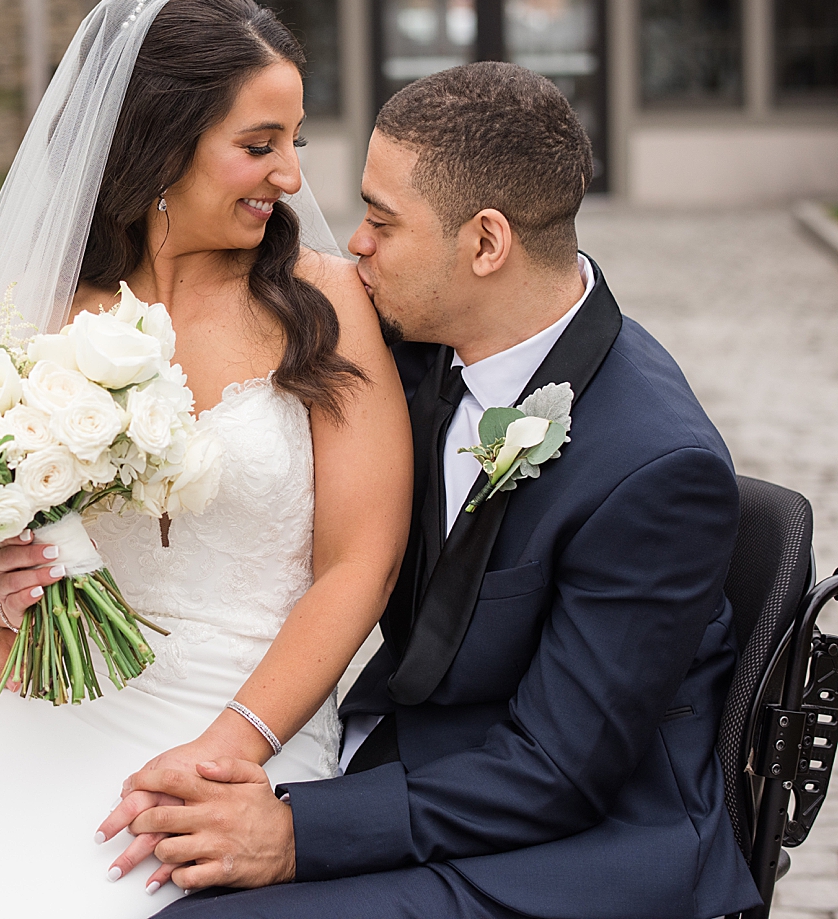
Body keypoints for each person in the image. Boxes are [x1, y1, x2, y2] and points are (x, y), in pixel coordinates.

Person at [0, 0, 413, 918]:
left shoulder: (323, 302)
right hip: (59, 691)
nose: (290, 178)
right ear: (162, 145)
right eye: (258, 145)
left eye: (295, 142)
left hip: (248, 707)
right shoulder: (38, 316)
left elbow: (363, 559)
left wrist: (234, 743)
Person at [99, 62, 763, 919]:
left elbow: (558, 771)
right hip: (420, 770)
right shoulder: (420, 348)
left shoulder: (655, 468)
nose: (355, 244)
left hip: (577, 850)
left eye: (381, 219)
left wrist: (295, 833)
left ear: (486, 244)